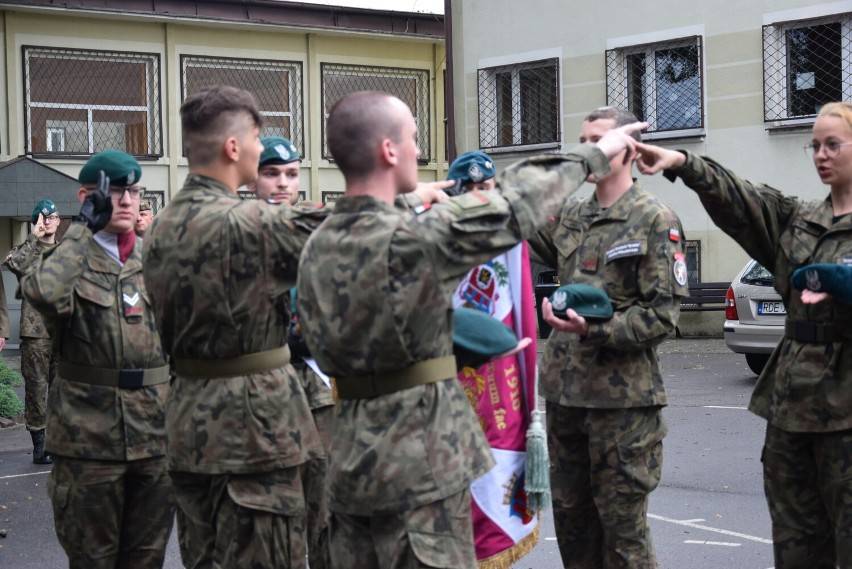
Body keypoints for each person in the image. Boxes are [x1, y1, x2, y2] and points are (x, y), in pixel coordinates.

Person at [296, 91, 644, 569]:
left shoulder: (319, 241)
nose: (419, 150)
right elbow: (514, 203)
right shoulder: (413, 236)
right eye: (413, 138)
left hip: (352, 457)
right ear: (389, 150)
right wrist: (594, 154)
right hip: (419, 467)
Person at [634, 100, 852, 569]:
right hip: (792, 408)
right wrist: (682, 163)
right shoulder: (798, 219)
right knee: (796, 543)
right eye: (814, 145)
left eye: (833, 144)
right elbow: (740, 197)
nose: (820, 154)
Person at [142, 86, 330, 569]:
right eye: (256, 140)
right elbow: (354, 230)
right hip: (254, 433)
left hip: (189, 421)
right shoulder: (248, 223)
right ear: (233, 147)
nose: (258, 149)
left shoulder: (161, 225)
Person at [531, 106, 688, 569]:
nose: (591, 149)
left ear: (629, 147)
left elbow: (661, 316)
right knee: (573, 530)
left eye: (599, 140)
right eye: (585, 141)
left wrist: (596, 329)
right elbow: (517, 217)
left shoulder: (654, 218)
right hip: (565, 397)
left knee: (623, 537)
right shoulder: (570, 216)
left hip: (622, 406)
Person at [21, 151, 174, 568]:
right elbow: (42, 293)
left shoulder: (157, 260)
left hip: (153, 440)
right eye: (114, 191)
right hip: (88, 441)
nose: (125, 200)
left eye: (133, 191)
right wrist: (82, 229)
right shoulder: (68, 259)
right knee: (93, 560)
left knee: (147, 559)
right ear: (86, 197)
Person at [446, 150, 543, 567]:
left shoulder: (508, 242)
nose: (478, 196)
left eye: (485, 187)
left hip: (496, 393)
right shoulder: (431, 240)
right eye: (468, 188)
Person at [252, 134, 335, 569]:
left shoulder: (319, 232)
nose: (283, 183)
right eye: (271, 173)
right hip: (262, 387)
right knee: (272, 516)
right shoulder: (237, 234)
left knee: (326, 511)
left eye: (291, 173)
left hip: (319, 385)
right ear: (252, 178)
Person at [3, 199, 60, 464]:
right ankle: (40, 446)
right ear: (36, 222)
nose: (49, 221)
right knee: (37, 390)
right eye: (43, 218)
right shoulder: (26, 251)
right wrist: (33, 237)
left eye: (53, 217)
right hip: (36, 334)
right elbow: (14, 264)